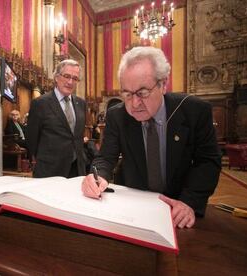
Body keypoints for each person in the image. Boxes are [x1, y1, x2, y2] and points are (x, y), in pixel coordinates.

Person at [81, 46, 221, 229]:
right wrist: (97, 176)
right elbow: (106, 158)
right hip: (134, 207)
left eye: (142, 93)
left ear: (163, 84)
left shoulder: (194, 111)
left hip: (178, 205)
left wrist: (189, 202)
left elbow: (208, 161)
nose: (134, 104)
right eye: (127, 94)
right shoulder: (117, 115)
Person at [27, 59, 86, 178]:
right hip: (50, 170)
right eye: (66, 76)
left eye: (75, 78)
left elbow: (77, 137)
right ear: (56, 77)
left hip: (77, 170)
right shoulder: (40, 103)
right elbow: (31, 139)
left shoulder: (81, 103)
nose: (70, 82)